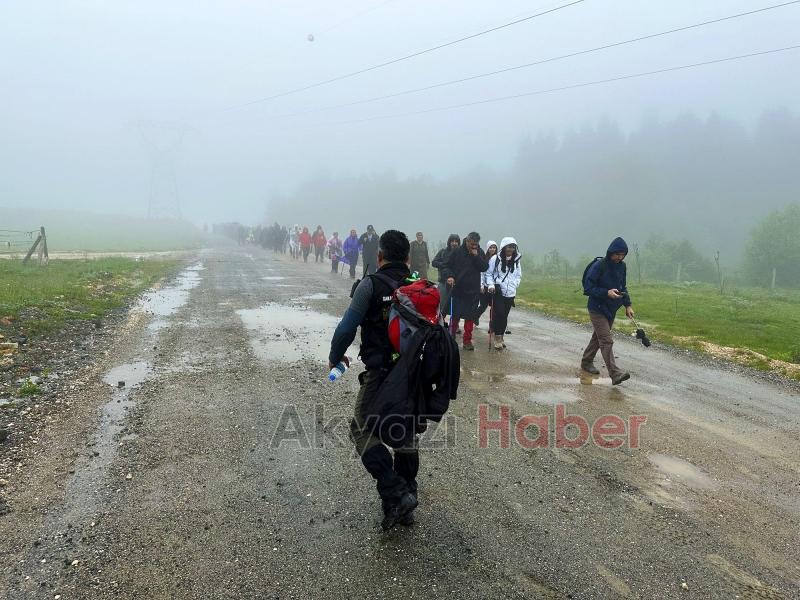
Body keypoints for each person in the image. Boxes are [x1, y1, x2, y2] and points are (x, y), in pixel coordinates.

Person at [326, 230, 420, 529]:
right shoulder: (420, 286)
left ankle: (396, 492)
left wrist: (335, 357)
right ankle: (405, 501)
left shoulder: (370, 284)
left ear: (379, 257)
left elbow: (346, 329)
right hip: (414, 375)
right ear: (408, 258)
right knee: (404, 433)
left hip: (380, 374)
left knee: (362, 429)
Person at [581, 237, 634, 385]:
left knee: (598, 338)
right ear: (610, 252)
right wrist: (606, 293)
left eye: (623, 254)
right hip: (597, 308)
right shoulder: (599, 266)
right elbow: (588, 288)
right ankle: (615, 374)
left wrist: (628, 305)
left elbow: (623, 287)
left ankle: (586, 362)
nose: (620, 257)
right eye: (617, 254)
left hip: (611, 309)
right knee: (606, 340)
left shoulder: (622, 266)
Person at [444, 232, 489, 351]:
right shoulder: (457, 251)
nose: (473, 246)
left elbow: (484, 267)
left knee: (470, 317)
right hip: (458, 289)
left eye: (476, 244)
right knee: (455, 316)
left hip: (473, 291)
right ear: (467, 241)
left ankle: (467, 341)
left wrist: (475, 256)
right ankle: (451, 337)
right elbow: (446, 266)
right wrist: (449, 276)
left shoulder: (479, 252)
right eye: (472, 244)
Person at [485, 237, 522, 350]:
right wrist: (491, 285)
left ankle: (501, 336)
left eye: (512, 247)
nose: (510, 249)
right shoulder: (496, 259)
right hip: (498, 290)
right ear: (504, 247)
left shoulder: (516, 260)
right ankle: (497, 337)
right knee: (500, 313)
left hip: (510, 292)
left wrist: (515, 284)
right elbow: (488, 273)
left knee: (504, 315)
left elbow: (518, 275)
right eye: (508, 247)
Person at [432, 234, 460, 328]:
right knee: (441, 305)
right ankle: (439, 324)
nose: (454, 243)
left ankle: (454, 326)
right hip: (443, 281)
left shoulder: (461, 254)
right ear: (449, 242)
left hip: (456, 284)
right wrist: (445, 264)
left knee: (455, 306)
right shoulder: (443, 252)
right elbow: (434, 262)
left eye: (456, 241)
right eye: (452, 241)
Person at [475, 240, 498, 327]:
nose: (492, 249)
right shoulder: (484, 258)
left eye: (494, 247)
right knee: (483, 306)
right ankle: (475, 316)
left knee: (494, 308)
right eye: (490, 248)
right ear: (487, 249)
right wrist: (481, 285)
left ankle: (492, 326)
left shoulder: (498, 259)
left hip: (494, 286)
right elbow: (481, 273)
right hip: (484, 286)